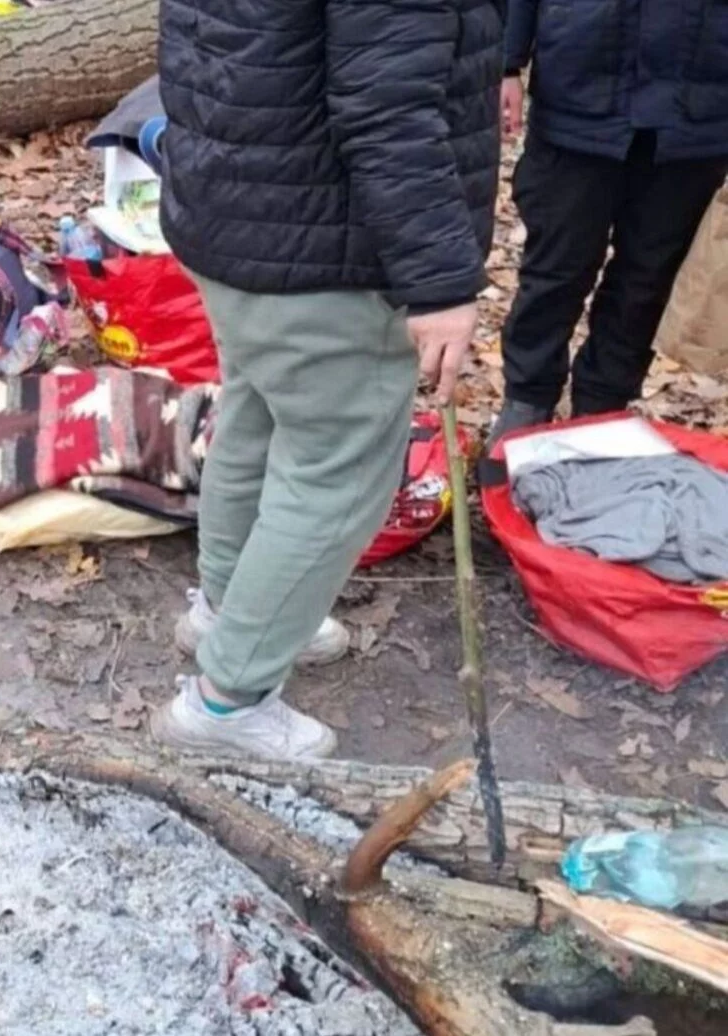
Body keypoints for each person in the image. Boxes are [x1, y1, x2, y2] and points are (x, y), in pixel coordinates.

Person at [152, 0, 503, 760]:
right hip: (325, 247)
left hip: (239, 213)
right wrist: (440, 281)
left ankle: (225, 610)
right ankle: (226, 701)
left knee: (258, 409)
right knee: (336, 473)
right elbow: (388, 107)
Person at [492, 0, 728, 442]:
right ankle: (526, 400)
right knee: (556, 268)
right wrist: (507, 62)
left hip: (698, 106)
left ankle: (601, 413)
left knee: (648, 279)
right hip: (580, 89)